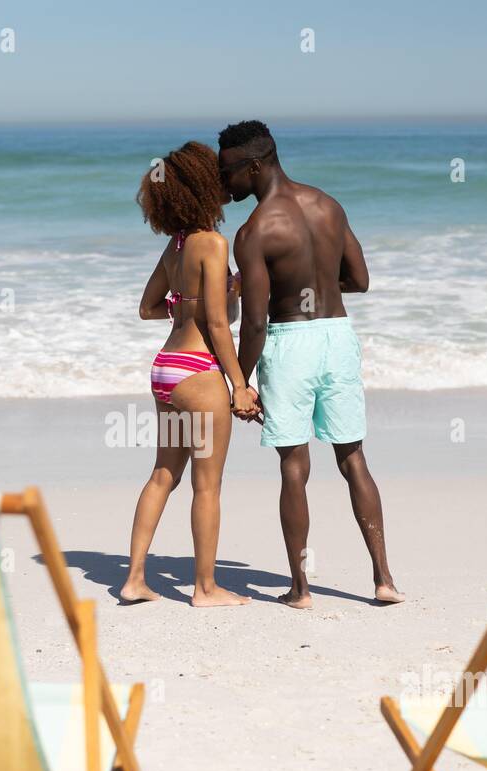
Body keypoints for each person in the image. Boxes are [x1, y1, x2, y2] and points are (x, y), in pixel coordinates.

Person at [218, 120, 405, 609]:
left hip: (289, 344)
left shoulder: (254, 231)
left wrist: (239, 381)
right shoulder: (328, 205)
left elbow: (254, 323)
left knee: (294, 466)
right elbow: (359, 280)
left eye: (227, 172)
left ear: (253, 166)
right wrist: (314, 288)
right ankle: (384, 579)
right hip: (337, 337)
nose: (223, 183)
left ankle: (300, 589)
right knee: (353, 457)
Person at [121, 141, 257, 607]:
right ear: (204, 187)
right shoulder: (213, 244)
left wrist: (189, 304)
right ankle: (205, 587)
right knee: (207, 485)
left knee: (163, 474)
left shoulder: (175, 247)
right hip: (199, 373)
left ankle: (134, 579)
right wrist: (240, 385)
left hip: (166, 369)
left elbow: (148, 308)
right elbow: (218, 325)